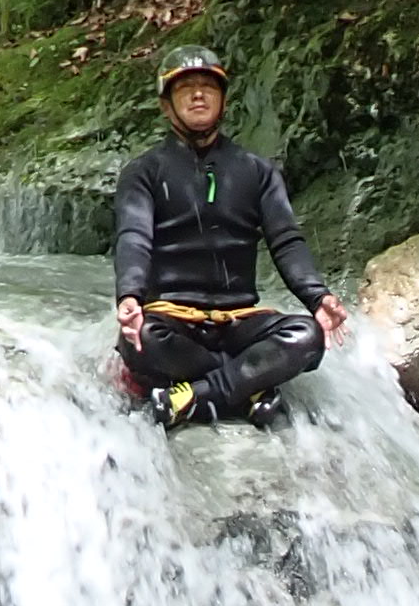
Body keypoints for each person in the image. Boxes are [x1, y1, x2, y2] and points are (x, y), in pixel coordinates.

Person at [113, 42, 344, 434]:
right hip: (173, 322)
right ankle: (247, 387)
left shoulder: (256, 171)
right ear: (167, 105)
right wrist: (130, 295)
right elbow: (134, 235)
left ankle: (194, 396)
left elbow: (286, 239)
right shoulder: (143, 173)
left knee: (307, 336)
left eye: (208, 86)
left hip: (240, 323)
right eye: (186, 88)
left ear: (223, 100)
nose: (199, 94)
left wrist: (318, 297)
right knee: (143, 340)